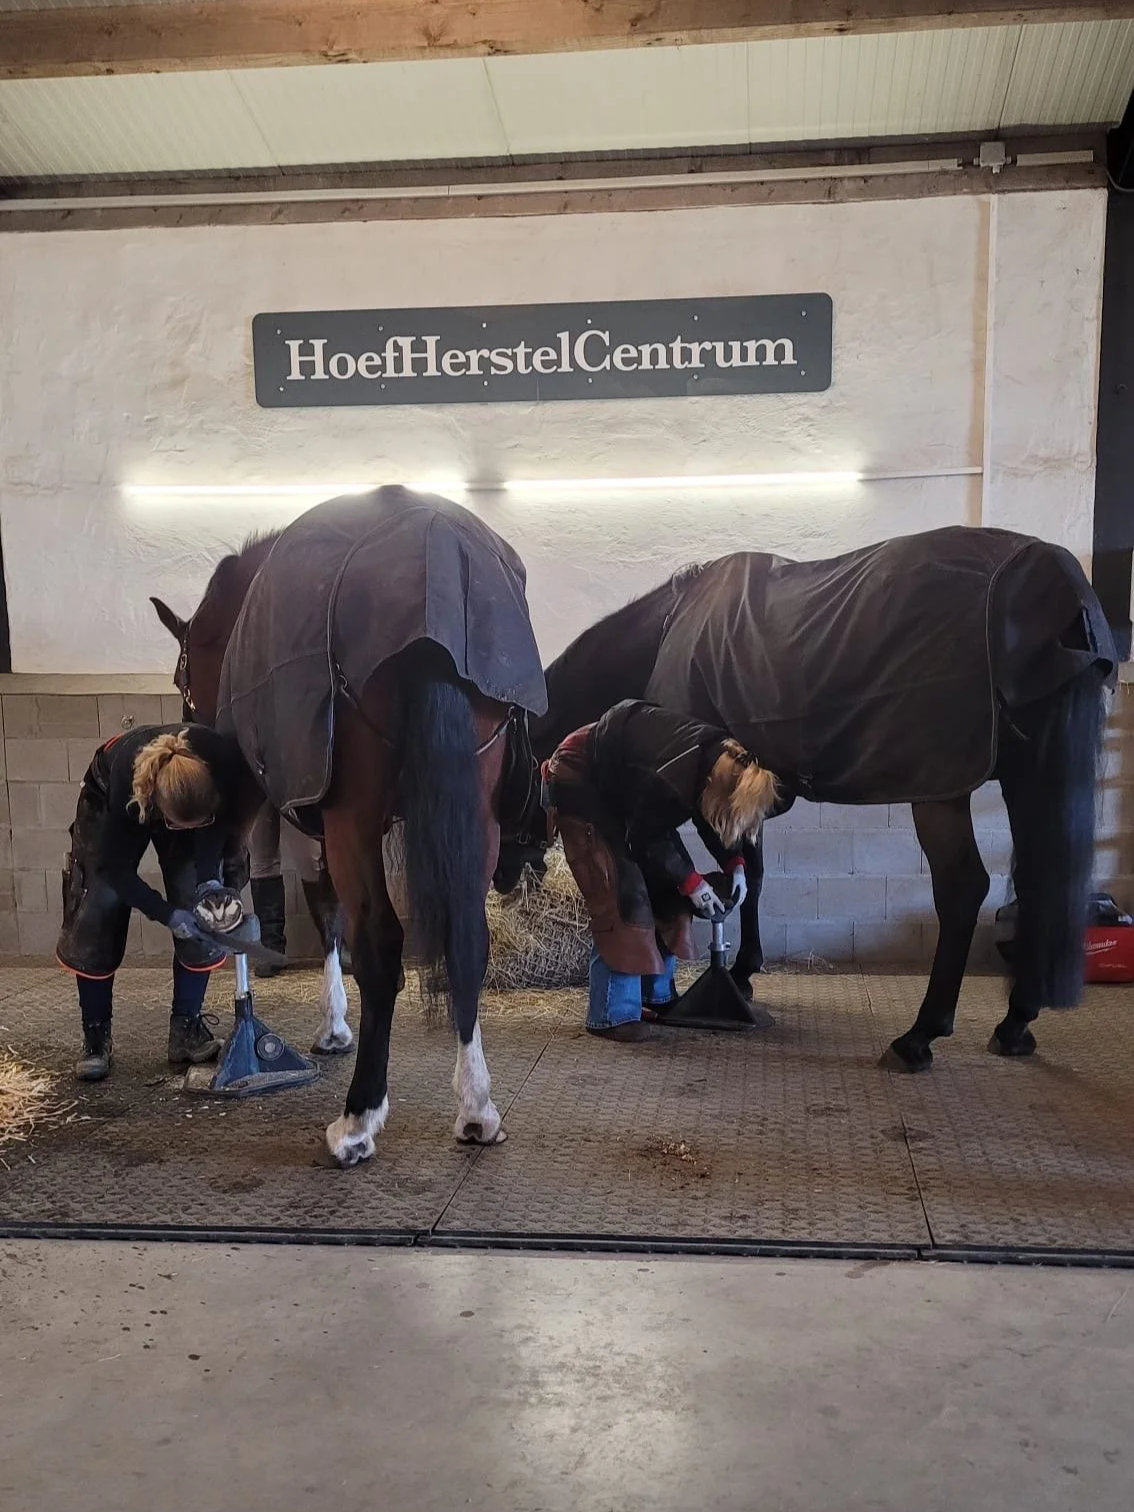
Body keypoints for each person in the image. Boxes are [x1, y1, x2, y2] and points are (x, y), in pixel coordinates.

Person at [543, 700, 778, 1041]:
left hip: (630, 792)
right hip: (582, 777)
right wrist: (692, 881)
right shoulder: (679, 772)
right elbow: (644, 837)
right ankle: (611, 1014)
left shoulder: (718, 763)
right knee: (623, 891)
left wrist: (735, 864)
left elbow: (707, 814)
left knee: (671, 887)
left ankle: (658, 996)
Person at [56, 725, 262, 1081]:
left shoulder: (224, 763)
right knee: (99, 907)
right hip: (109, 791)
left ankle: (186, 1029)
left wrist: (207, 885)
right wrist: (165, 914)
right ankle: (95, 1037)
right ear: (163, 814)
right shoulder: (125, 790)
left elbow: (215, 830)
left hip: (190, 801)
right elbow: (114, 868)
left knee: (198, 906)